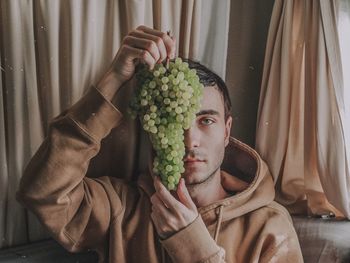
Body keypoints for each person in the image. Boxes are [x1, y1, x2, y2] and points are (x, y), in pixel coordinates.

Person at [16, 25, 303, 263]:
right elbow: (43, 193)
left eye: (206, 121)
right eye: (174, 121)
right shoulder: (121, 207)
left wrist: (196, 249)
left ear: (227, 131)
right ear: (154, 129)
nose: (190, 139)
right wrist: (114, 78)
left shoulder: (269, 227)